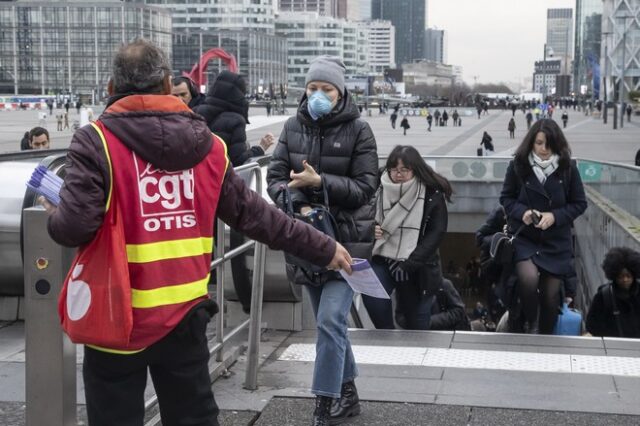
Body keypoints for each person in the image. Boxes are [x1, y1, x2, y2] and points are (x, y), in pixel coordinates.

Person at [42, 39, 353, 426]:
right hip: (185, 314)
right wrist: (322, 246)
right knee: (193, 417)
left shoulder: (96, 141)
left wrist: (54, 211)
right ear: (166, 85)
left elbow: (74, 227)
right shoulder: (208, 146)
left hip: (116, 314)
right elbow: (257, 217)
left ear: (110, 88)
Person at [266, 55, 378, 426]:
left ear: (340, 92)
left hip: (346, 240)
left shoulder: (360, 130)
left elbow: (366, 187)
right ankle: (348, 393)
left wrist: (321, 183)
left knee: (330, 320)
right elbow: (276, 177)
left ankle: (323, 404)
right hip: (306, 240)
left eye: (325, 89)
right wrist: (295, 202)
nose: (317, 95)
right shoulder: (291, 126)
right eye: (312, 88)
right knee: (330, 325)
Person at [499, 119, 587, 334]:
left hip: (555, 241)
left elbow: (579, 203)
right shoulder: (518, 165)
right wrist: (524, 213)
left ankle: (546, 331)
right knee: (528, 279)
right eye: (539, 143)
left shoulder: (568, 169)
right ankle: (532, 322)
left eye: (549, 144)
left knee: (550, 296)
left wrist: (554, 216)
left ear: (557, 144)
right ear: (531, 143)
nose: (544, 149)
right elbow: (506, 198)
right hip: (526, 238)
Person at [363, 145, 452, 330]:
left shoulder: (430, 192)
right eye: (394, 169)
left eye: (405, 169)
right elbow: (360, 215)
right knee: (372, 294)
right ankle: (386, 338)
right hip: (382, 258)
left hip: (417, 267)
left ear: (415, 169)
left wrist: (409, 264)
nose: (398, 174)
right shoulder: (377, 186)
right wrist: (369, 229)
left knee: (416, 323)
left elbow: (436, 233)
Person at [193, 71, 274, 167]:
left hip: (196, 177)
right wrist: (261, 148)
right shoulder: (236, 121)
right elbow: (238, 161)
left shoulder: (195, 111)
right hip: (220, 178)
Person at [586, 247, 640, 338]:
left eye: (628, 276)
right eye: (620, 277)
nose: (625, 280)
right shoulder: (604, 295)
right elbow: (592, 326)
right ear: (614, 276)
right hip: (612, 346)